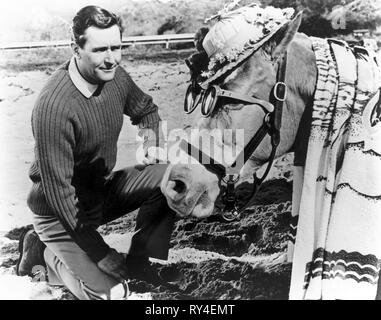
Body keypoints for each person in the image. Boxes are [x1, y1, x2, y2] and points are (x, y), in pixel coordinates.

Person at [16, 5, 176, 300]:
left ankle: (140, 262)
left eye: (117, 47)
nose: (111, 58)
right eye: (100, 49)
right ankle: (45, 255)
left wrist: (152, 145)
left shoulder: (115, 76)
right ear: (75, 48)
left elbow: (147, 110)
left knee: (174, 179)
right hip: (58, 213)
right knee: (110, 294)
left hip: (97, 193)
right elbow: (61, 196)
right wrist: (101, 253)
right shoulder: (54, 107)